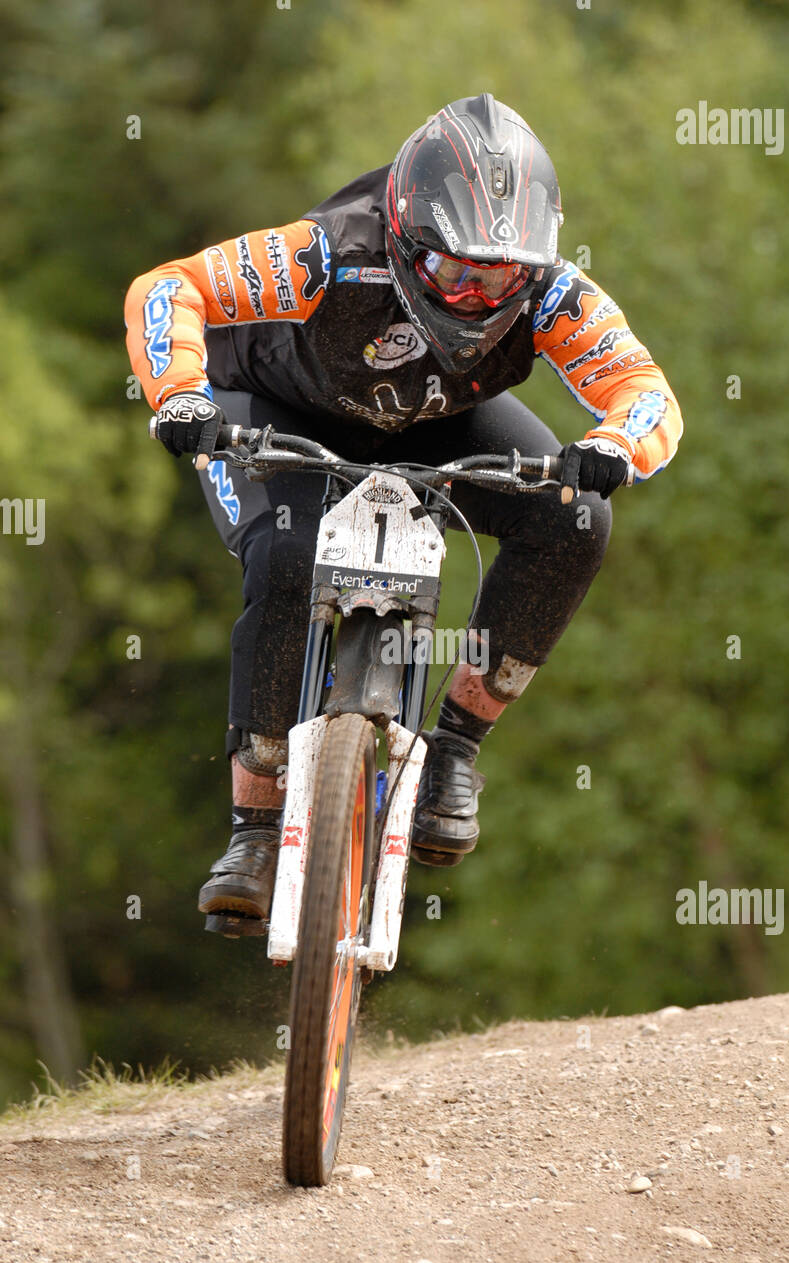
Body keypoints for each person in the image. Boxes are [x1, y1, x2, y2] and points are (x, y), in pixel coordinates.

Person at [124, 93, 682, 933]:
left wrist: (614, 447)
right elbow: (169, 289)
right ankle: (255, 825)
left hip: (433, 422)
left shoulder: (546, 291)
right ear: (403, 238)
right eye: (454, 270)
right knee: (285, 555)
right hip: (275, 410)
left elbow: (645, 393)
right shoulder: (325, 254)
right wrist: (178, 398)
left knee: (575, 520)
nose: (474, 296)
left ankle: (456, 745)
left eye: (498, 277)